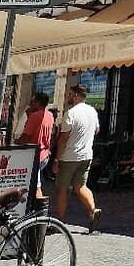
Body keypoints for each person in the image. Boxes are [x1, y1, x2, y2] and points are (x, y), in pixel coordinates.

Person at [53, 84, 101, 231]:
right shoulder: (92, 111)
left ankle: (59, 223)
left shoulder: (71, 113)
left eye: (69, 94)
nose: (67, 97)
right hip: (86, 155)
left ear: (75, 95)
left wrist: (56, 159)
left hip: (69, 156)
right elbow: (96, 130)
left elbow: (63, 139)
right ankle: (93, 211)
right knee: (81, 186)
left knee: (61, 189)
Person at [15, 91, 54, 199]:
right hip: (45, 154)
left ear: (38, 103)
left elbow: (26, 137)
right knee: (35, 181)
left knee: (36, 186)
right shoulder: (50, 115)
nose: (30, 104)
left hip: (35, 155)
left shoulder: (35, 116)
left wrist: (16, 142)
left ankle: (40, 207)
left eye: (32, 102)